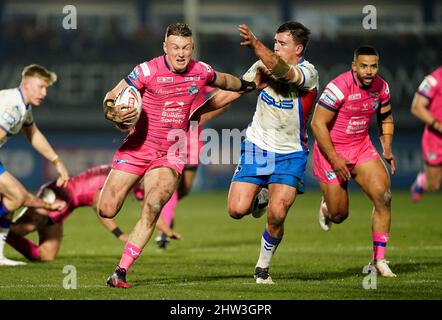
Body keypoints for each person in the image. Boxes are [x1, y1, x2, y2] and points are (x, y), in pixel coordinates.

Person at [99, 22, 257, 288]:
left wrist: (247, 84)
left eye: (185, 47)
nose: (181, 53)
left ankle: (120, 271)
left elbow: (225, 80)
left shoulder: (201, 71)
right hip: (137, 148)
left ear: (191, 48)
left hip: (171, 152)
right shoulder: (146, 71)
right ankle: (135, 188)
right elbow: (111, 97)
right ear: (165, 48)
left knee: (154, 205)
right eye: (175, 47)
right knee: (107, 209)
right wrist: (112, 112)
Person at [219, 22, 319, 284]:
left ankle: (262, 268)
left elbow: (282, 71)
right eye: (274, 42)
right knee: (236, 210)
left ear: (298, 48)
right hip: (257, 147)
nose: (276, 46)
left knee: (278, 214)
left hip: (290, 154)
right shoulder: (261, 66)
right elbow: (233, 93)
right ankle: (260, 196)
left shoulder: (309, 73)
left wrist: (255, 44)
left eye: (282, 43)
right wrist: (196, 116)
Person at [310, 45, 397, 277]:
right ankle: (328, 207)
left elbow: (386, 116)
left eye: (373, 66)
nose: (369, 71)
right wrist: (335, 158)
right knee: (339, 216)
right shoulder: (339, 88)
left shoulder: (381, 87)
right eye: (364, 66)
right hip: (331, 152)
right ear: (354, 66)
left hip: (360, 148)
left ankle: (379, 260)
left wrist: (386, 147)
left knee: (384, 196)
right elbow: (317, 124)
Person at [7, 165, 181, 262]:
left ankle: (5, 234)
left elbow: (150, 210)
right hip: (59, 197)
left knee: (46, 255)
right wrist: (119, 234)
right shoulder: (119, 176)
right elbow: (98, 204)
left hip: (67, 206)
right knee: (19, 229)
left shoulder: (135, 184)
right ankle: (4, 230)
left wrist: (167, 231)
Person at [0, 64, 70, 266]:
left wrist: (57, 161)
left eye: (46, 88)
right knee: (18, 196)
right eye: (40, 87)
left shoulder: (22, 106)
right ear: (26, 85)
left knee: (10, 199)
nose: (44, 92)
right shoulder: (12, 107)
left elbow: (33, 134)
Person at [410, 66, 442, 202]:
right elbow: (417, 107)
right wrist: (438, 126)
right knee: (433, 185)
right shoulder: (434, 80)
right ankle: (423, 180)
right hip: (436, 139)